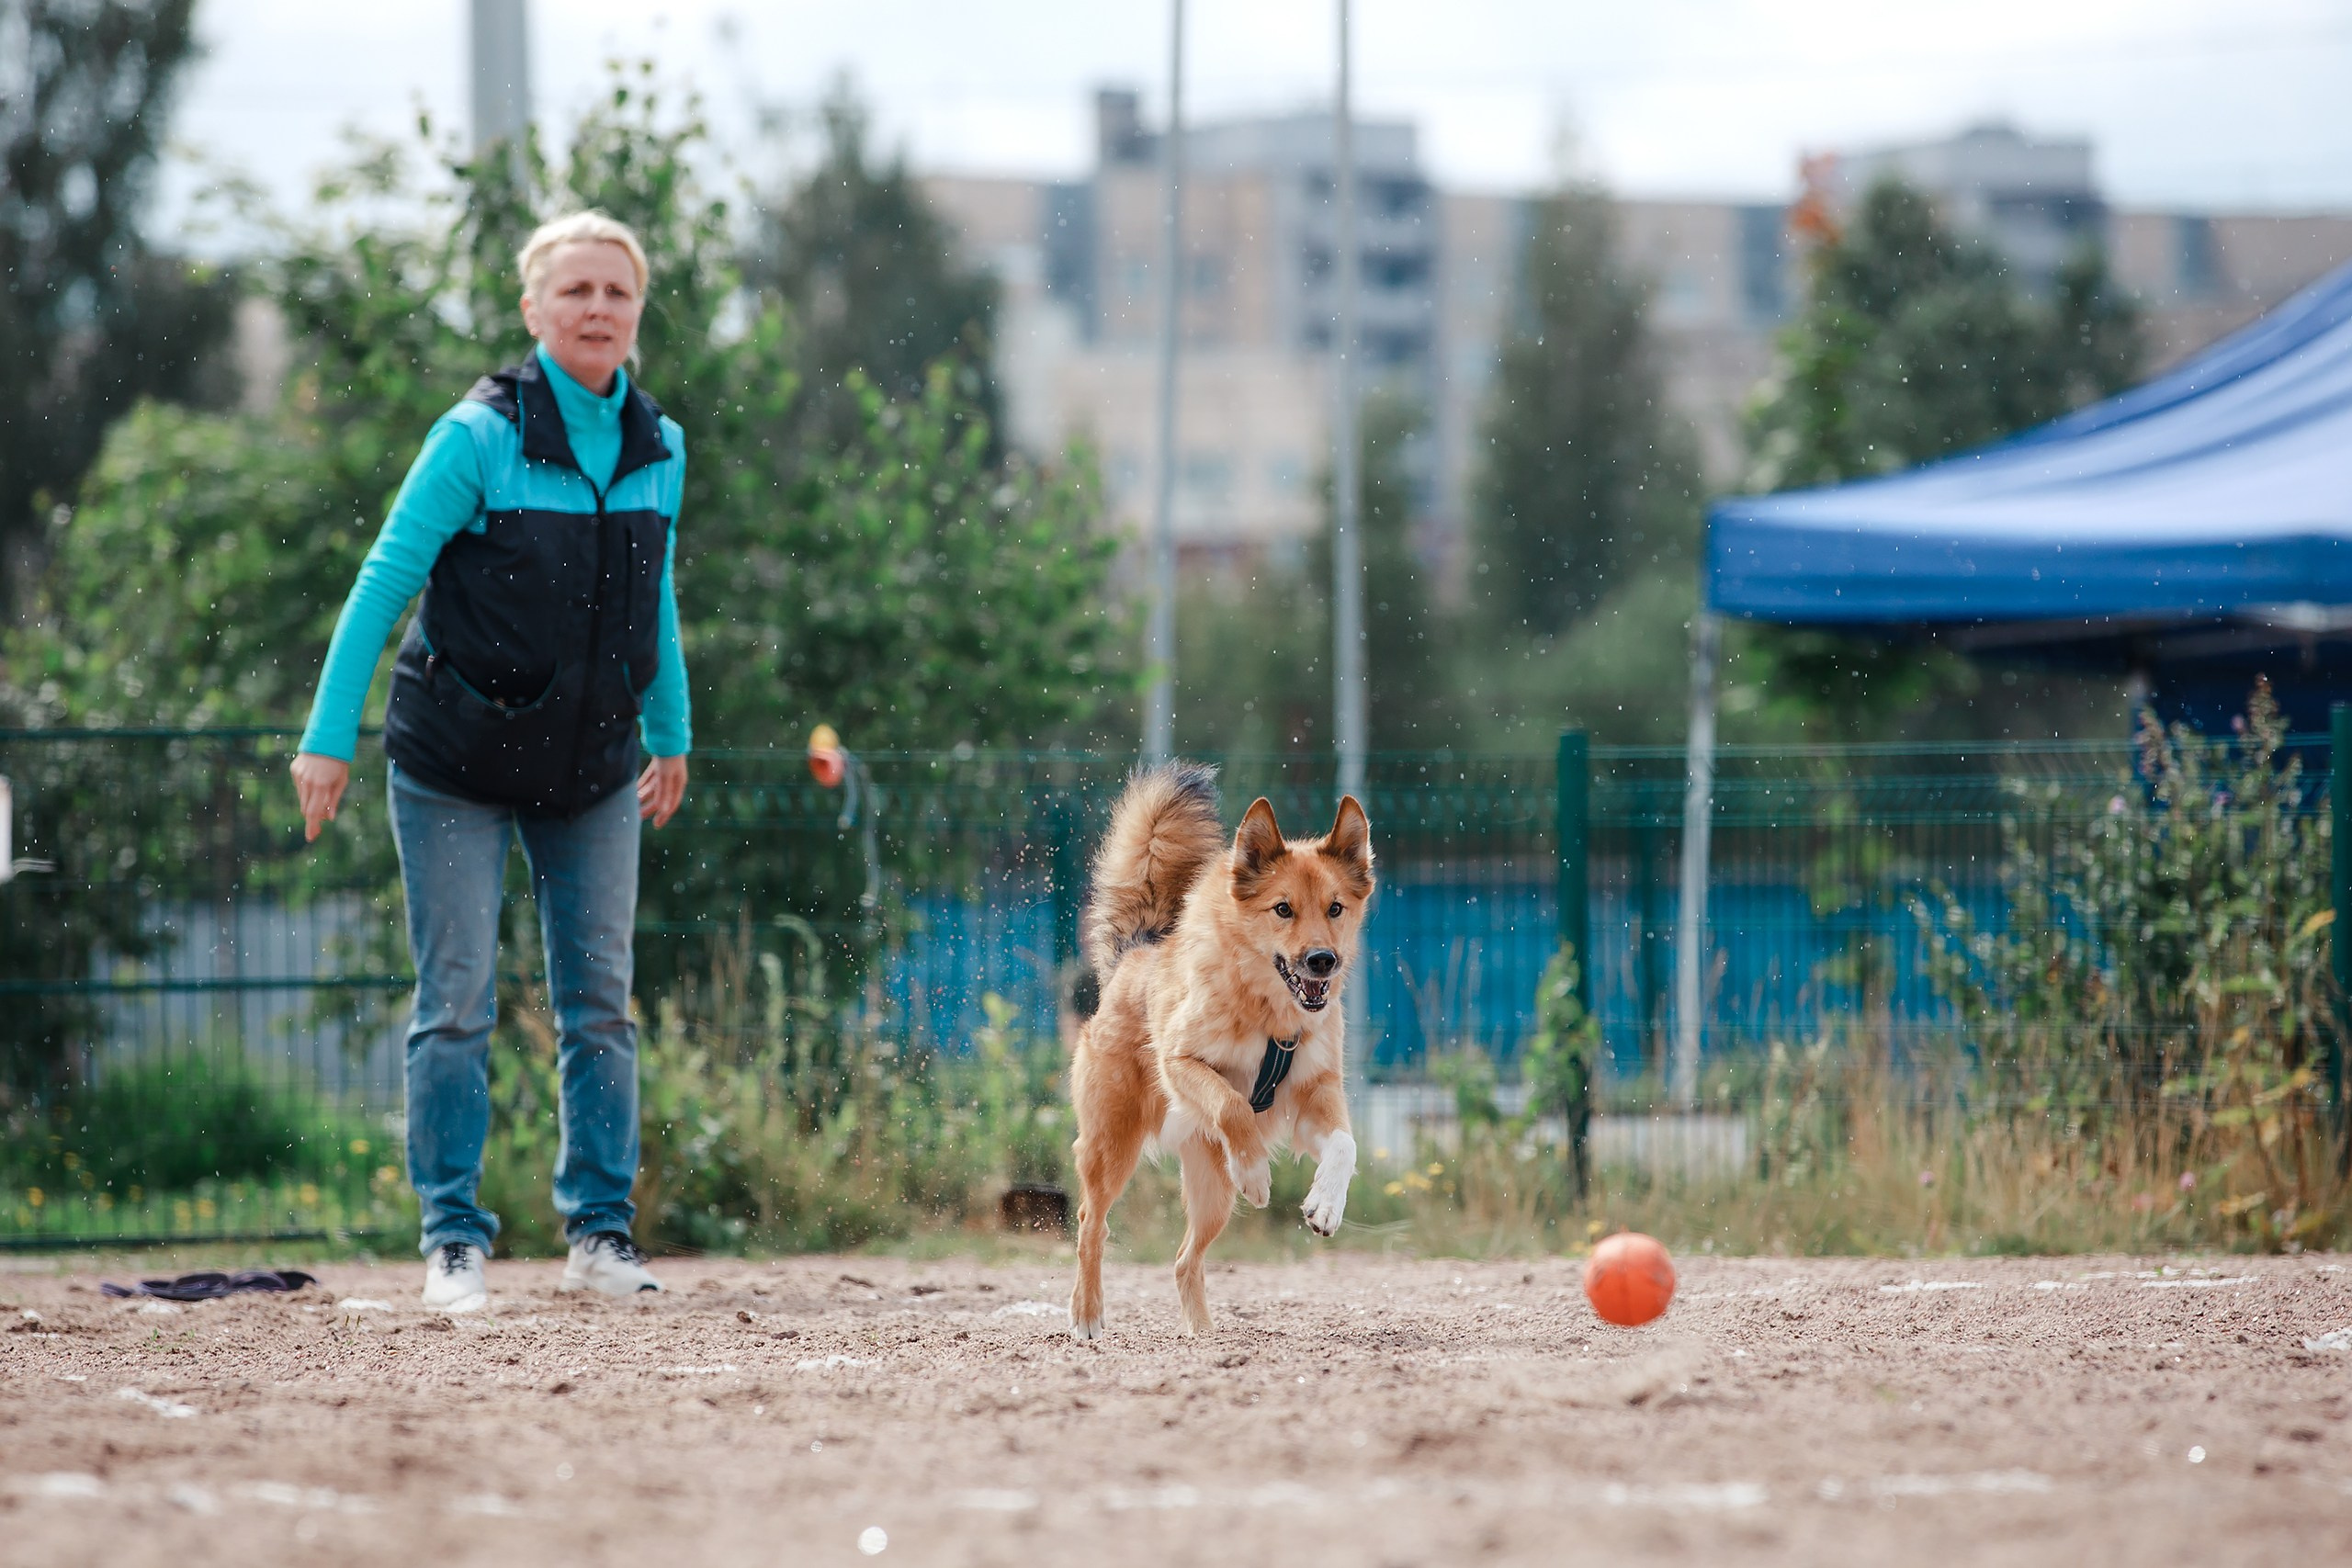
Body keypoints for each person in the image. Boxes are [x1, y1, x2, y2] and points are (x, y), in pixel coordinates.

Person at [290, 211, 690, 1311]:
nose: (598, 309)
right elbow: (382, 585)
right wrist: (328, 740)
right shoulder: (477, 438)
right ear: (533, 310)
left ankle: (600, 1235)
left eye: (617, 292)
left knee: (600, 1005)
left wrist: (670, 732)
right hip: (452, 762)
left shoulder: (662, 445)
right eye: (576, 292)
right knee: (455, 1002)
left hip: (594, 766)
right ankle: (453, 1239)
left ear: (638, 311)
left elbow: (652, 597)